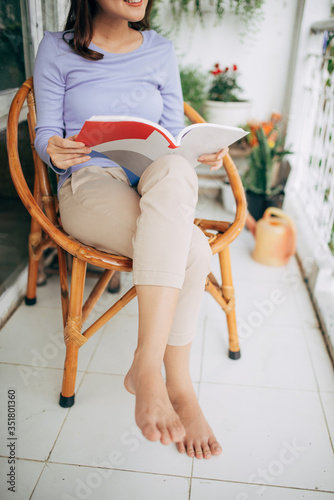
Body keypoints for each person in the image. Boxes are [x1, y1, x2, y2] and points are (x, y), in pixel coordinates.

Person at [33, 0, 228, 460]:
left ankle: (146, 367)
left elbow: (173, 135)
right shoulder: (56, 48)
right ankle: (174, 383)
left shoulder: (160, 50)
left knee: (177, 173)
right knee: (194, 250)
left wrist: (201, 151)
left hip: (152, 182)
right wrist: (52, 148)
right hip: (90, 181)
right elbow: (45, 131)